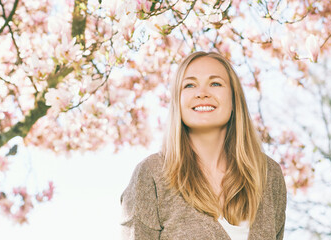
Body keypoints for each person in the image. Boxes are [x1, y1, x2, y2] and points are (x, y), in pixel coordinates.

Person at [120, 51, 286, 240]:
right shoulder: (152, 174)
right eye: (190, 85)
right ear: (178, 102)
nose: (202, 93)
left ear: (234, 99)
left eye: (215, 83)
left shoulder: (268, 174)